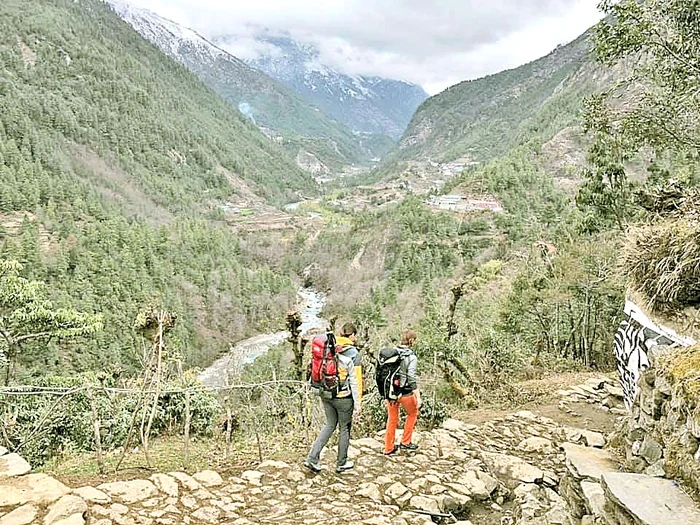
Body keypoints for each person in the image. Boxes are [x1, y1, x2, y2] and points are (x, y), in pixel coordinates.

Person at [305, 323, 363, 473]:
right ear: (351, 336)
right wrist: (358, 404)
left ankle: (312, 458)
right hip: (343, 398)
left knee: (330, 424)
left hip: (326, 394)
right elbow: (355, 381)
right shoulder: (352, 354)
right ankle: (341, 463)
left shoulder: (329, 348)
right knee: (344, 428)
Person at [383, 329, 421, 455]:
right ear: (412, 341)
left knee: (392, 418)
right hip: (405, 393)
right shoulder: (411, 357)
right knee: (413, 413)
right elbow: (411, 378)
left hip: (391, 393)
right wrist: (418, 396)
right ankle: (405, 442)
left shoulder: (392, 353)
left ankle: (388, 447)